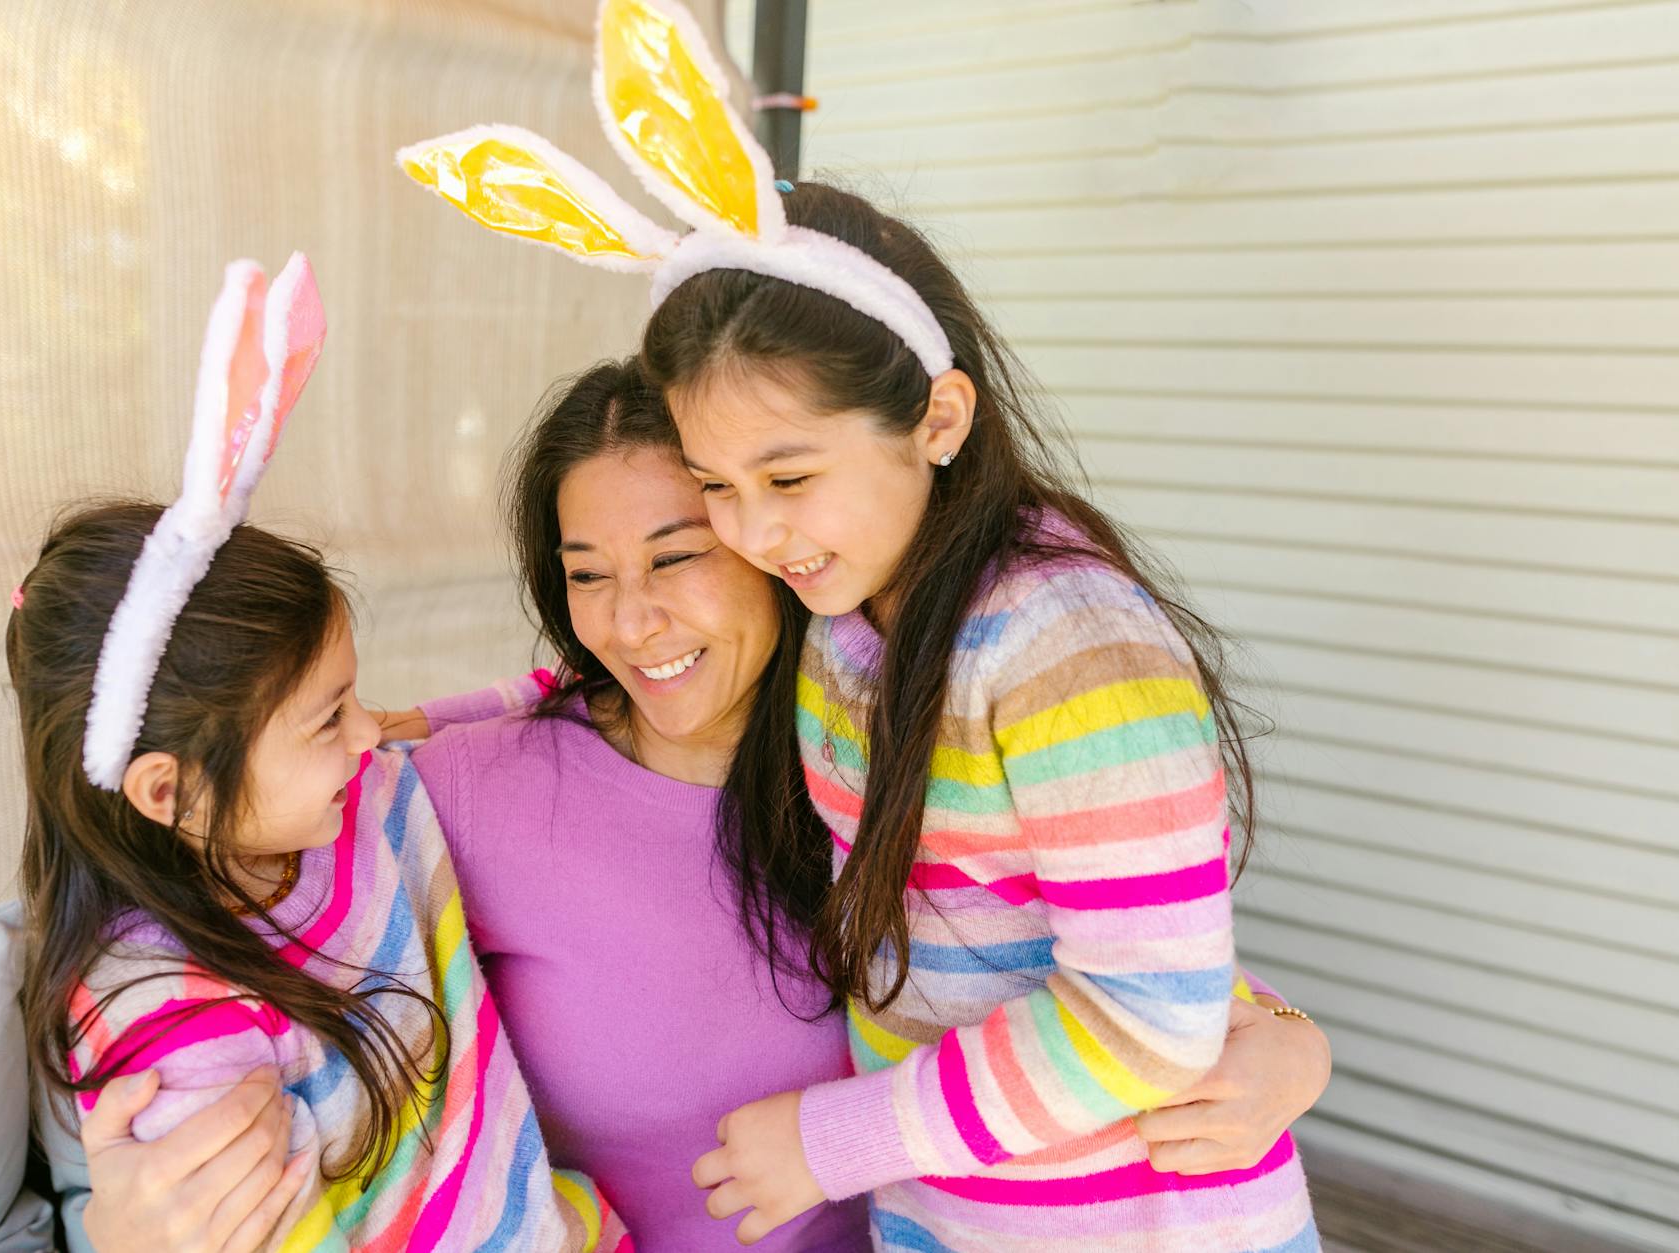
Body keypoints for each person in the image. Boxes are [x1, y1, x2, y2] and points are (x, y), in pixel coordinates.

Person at [77, 361, 1330, 1251]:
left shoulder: (885, 735)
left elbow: (1109, 952)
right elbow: (202, 894)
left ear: (773, 538)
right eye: (587, 575)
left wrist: (1277, 1035)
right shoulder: (465, 788)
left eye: (678, 556)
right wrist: (126, 1212)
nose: (632, 619)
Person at [643, 180, 1321, 1249]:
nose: (754, 530)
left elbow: (1148, 1012)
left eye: (787, 474)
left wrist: (832, 1141)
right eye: (713, 484)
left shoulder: (1065, 644)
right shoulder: (844, 603)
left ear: (938, 418)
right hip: (952, 1209)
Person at [17, 256, 626, 1252]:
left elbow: (495, 706)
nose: (369, 729)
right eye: (327, 715)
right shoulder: (172, 1022)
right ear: (169, 789)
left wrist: (569, 681)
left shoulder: (364, 796)